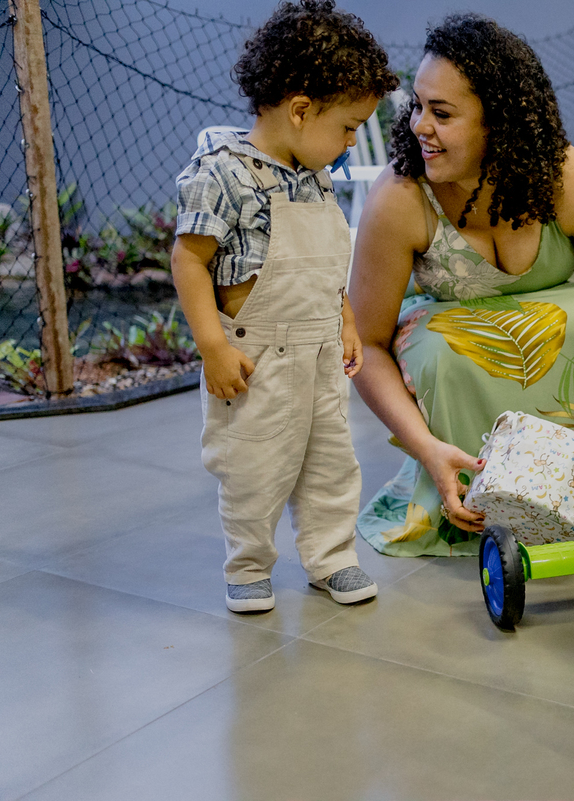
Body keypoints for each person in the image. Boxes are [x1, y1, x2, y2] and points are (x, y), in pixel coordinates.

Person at [350, 13, 574, 557]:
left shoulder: (563, 177)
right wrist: (425, 446)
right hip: (444, 344)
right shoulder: (401, 198)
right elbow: (366, 344)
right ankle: (460, 487)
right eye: (418, 106)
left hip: (573, 366)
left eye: (442, 113)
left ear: (497, 122)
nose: (419, 126)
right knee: (442, 349)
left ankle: (569, 496)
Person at [171, 0, 398, 612]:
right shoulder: (222, 174)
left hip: (320, 351)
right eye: (348, 126)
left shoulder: (314, 175)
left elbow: (325, 260)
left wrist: (344, 318)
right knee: (253, 467)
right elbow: (188, 261)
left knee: (331, 464)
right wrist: (213, 348)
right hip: (256, 358)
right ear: (300, 110)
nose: (352, 140)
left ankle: (333, 557)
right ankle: (248, 565)